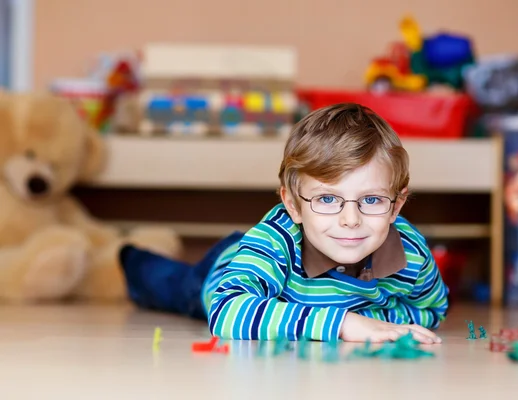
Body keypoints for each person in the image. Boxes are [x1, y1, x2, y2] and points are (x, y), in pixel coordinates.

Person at [119, 103, 450, 344]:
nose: (351, 220)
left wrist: (373, 321)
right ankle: (130, 258)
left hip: (277, 289)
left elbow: (433, 310)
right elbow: (227, 312)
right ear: (293, 204)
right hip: (227, 269)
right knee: (167, 284)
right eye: (327, 199)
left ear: (397, 205)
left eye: (372, 200)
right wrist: (343, 324)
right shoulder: (277, 239)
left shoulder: (412, 254)